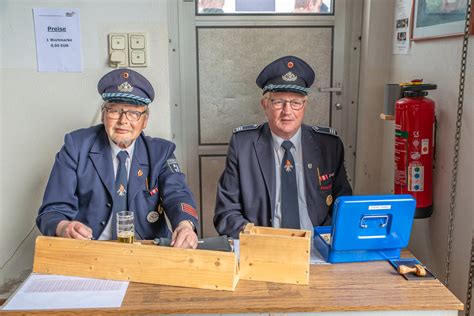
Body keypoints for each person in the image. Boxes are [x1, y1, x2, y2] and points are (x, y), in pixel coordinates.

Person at [37, 69, 199, 248]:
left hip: (146, 250)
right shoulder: (76, 146)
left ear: (145, 120)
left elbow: (177, 194)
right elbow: (51, 211)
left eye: (133, 113)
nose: (123, 121)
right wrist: (64, 227)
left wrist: (185, 225)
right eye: (114, 111)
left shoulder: (160, 152)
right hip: (91, 251)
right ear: (103, 114)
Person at [214, 56, 352, 239]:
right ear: (265, 104)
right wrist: (256, 236)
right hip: (264, 245)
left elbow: (344, 205)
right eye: (278, 102)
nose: (287, 111)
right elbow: (226, 212)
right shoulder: (243, 145)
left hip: (317, 244)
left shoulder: (328, 145)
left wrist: (325, 238)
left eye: (295, 103)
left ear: (304, 105)